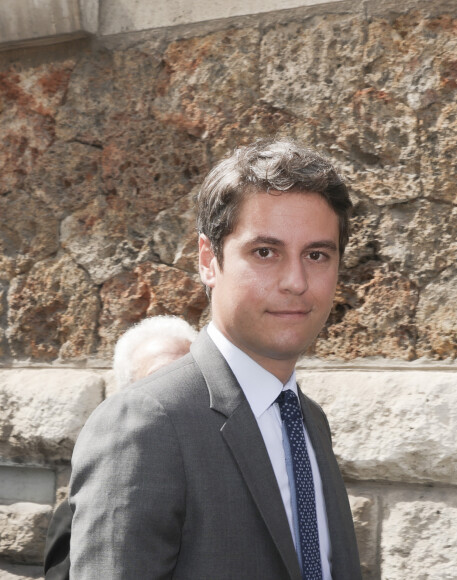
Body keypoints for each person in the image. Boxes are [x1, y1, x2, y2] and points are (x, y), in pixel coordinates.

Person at [69, 138, 362, 579]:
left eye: (317, 255)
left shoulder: (308, 421)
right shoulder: (146, 423)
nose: (297, 281)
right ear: (208, 260)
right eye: (265, 252)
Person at [44, 316, 197, 580]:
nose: (176, 392)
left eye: (188, 377)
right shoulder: (80, 512)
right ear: (127, 392)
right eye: (161, 378)